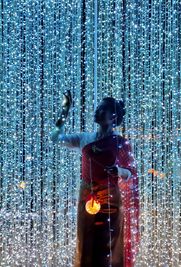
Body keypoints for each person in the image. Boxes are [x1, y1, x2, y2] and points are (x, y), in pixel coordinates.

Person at [50, 91, 140, 267]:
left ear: (113, 117)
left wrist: (119, 170)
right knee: (87, 243)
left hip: (111, 200)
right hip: (87, 199)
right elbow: (55, 138)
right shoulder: (85, 138)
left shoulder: (121, 142)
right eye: (98, 108)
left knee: (108, 245)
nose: (97, 111)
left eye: (102, 109)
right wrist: (64, 111)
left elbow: (131, 172)